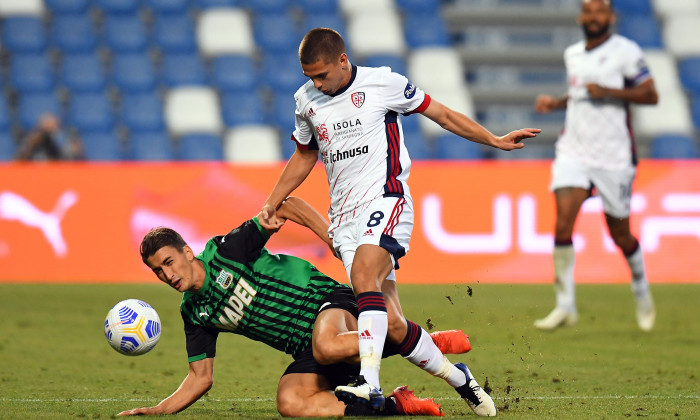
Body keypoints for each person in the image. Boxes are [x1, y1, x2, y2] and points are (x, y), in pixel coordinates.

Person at [260, 27, 540, 416]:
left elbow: (441, 113)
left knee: (362, 278)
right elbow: (306, 155)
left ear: (343, 60)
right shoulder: (305, 101)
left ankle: (368, 384)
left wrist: (492, 139)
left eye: (322, 74)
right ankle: (459, 378)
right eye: (310, 77)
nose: (316, 83)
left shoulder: (383, 83)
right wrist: (272, 202)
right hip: (345, 221)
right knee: (391, 324)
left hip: (387, 200)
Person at [118, 196, 471, 417]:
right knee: (291, 402)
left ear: (186, 252)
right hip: (309, 348)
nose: (167, 274)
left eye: (168, 261)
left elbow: (285, 205)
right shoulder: (194, 312)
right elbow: (201, 378)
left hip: (329, 304)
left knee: (328, 342)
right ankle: (398, 405)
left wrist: (330, 237)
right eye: (157, 271)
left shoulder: (228, 252)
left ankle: (412, 339)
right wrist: (157, 411)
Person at [533, 0, 658, 332]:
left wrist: (610, 91)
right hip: (573, 151)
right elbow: (579, 95)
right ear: (580, 17)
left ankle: (641, 289)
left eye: (600, 11)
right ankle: (564, 306)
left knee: (620, 233)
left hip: (614, 157)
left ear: (611, 17)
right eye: (588, 11)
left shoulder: (626, 51)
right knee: (562, 225)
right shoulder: (573, 53)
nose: (593, 17)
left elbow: (651, 94)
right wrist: (556, 102)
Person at [15, 113, 84, 161]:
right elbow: (18, 161)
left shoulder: (62, 137)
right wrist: (31, 144)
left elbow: (74, 156)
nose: (49, 129)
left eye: (52, 125)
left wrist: (56, 138)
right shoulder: (32, 138)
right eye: (46, 126)